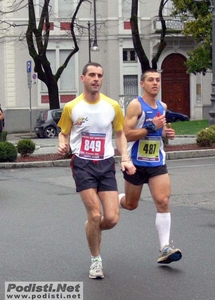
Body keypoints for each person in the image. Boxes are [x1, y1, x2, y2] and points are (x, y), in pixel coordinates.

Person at [57, 62, 136, 279]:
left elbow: (120, 134)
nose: (96, 79)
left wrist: (125, 159)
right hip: (82, 164)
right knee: (95, 213)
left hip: (106, 163)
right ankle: (96, 261)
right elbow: (63, 132)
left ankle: (92, 227)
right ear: (83, 78)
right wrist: (62, 143)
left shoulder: (112, 106)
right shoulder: (71, 107)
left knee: (110, 219)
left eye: (99, 75)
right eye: (92, 75)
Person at [119, 69, 182, 264]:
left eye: (158, 80)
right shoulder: (135, 105)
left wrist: (166, 134)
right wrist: (152, 127)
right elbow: (126, 134)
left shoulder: (163, 106)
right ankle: (116, 197)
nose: (155, 83)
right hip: (135, 163)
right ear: (142, 84)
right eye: (151, 80)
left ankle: (165, 248)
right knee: (131, 205)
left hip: (156, 162)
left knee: (163, 201)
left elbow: (159, 132)